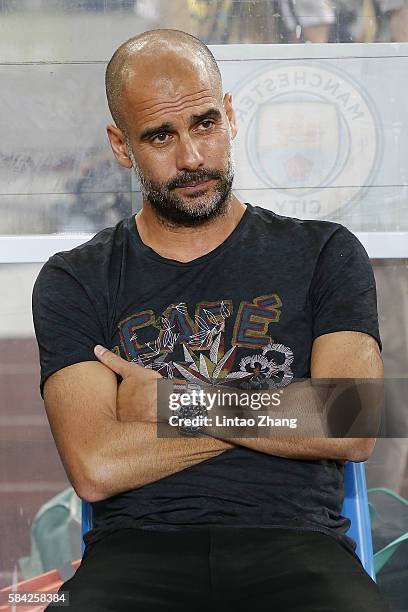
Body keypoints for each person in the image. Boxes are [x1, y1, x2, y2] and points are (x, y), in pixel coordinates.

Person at [32, 29, 390, 611]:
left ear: (228, 115)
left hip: (296, 545)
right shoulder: (77, 278)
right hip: (135, 555)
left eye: (204, 124)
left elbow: (351, 420)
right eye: (160, 136)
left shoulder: (323, 251)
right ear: (122, 146)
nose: (192, 157)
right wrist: (286, 412)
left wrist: (168, 404)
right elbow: (96, 466)